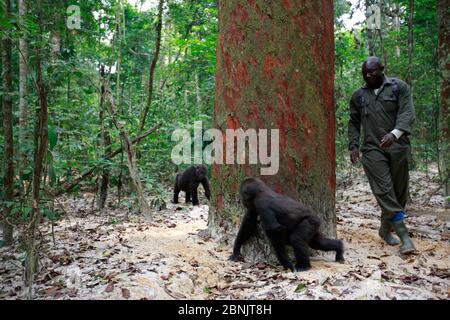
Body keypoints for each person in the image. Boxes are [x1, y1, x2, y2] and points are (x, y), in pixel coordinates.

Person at [348, 56, 416, 254]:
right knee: (385, 191)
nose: (368, 76)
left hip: (398, 146)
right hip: (372, 150)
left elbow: (407, 114)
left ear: (382, 69)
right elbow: (353, 122)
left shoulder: (398, 87)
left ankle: (385, 229)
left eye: (372, 72)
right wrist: (353, 145)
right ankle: (405, 238)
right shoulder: (358, 96)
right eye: (365, 74)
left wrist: (395, 134)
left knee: (399, 194)